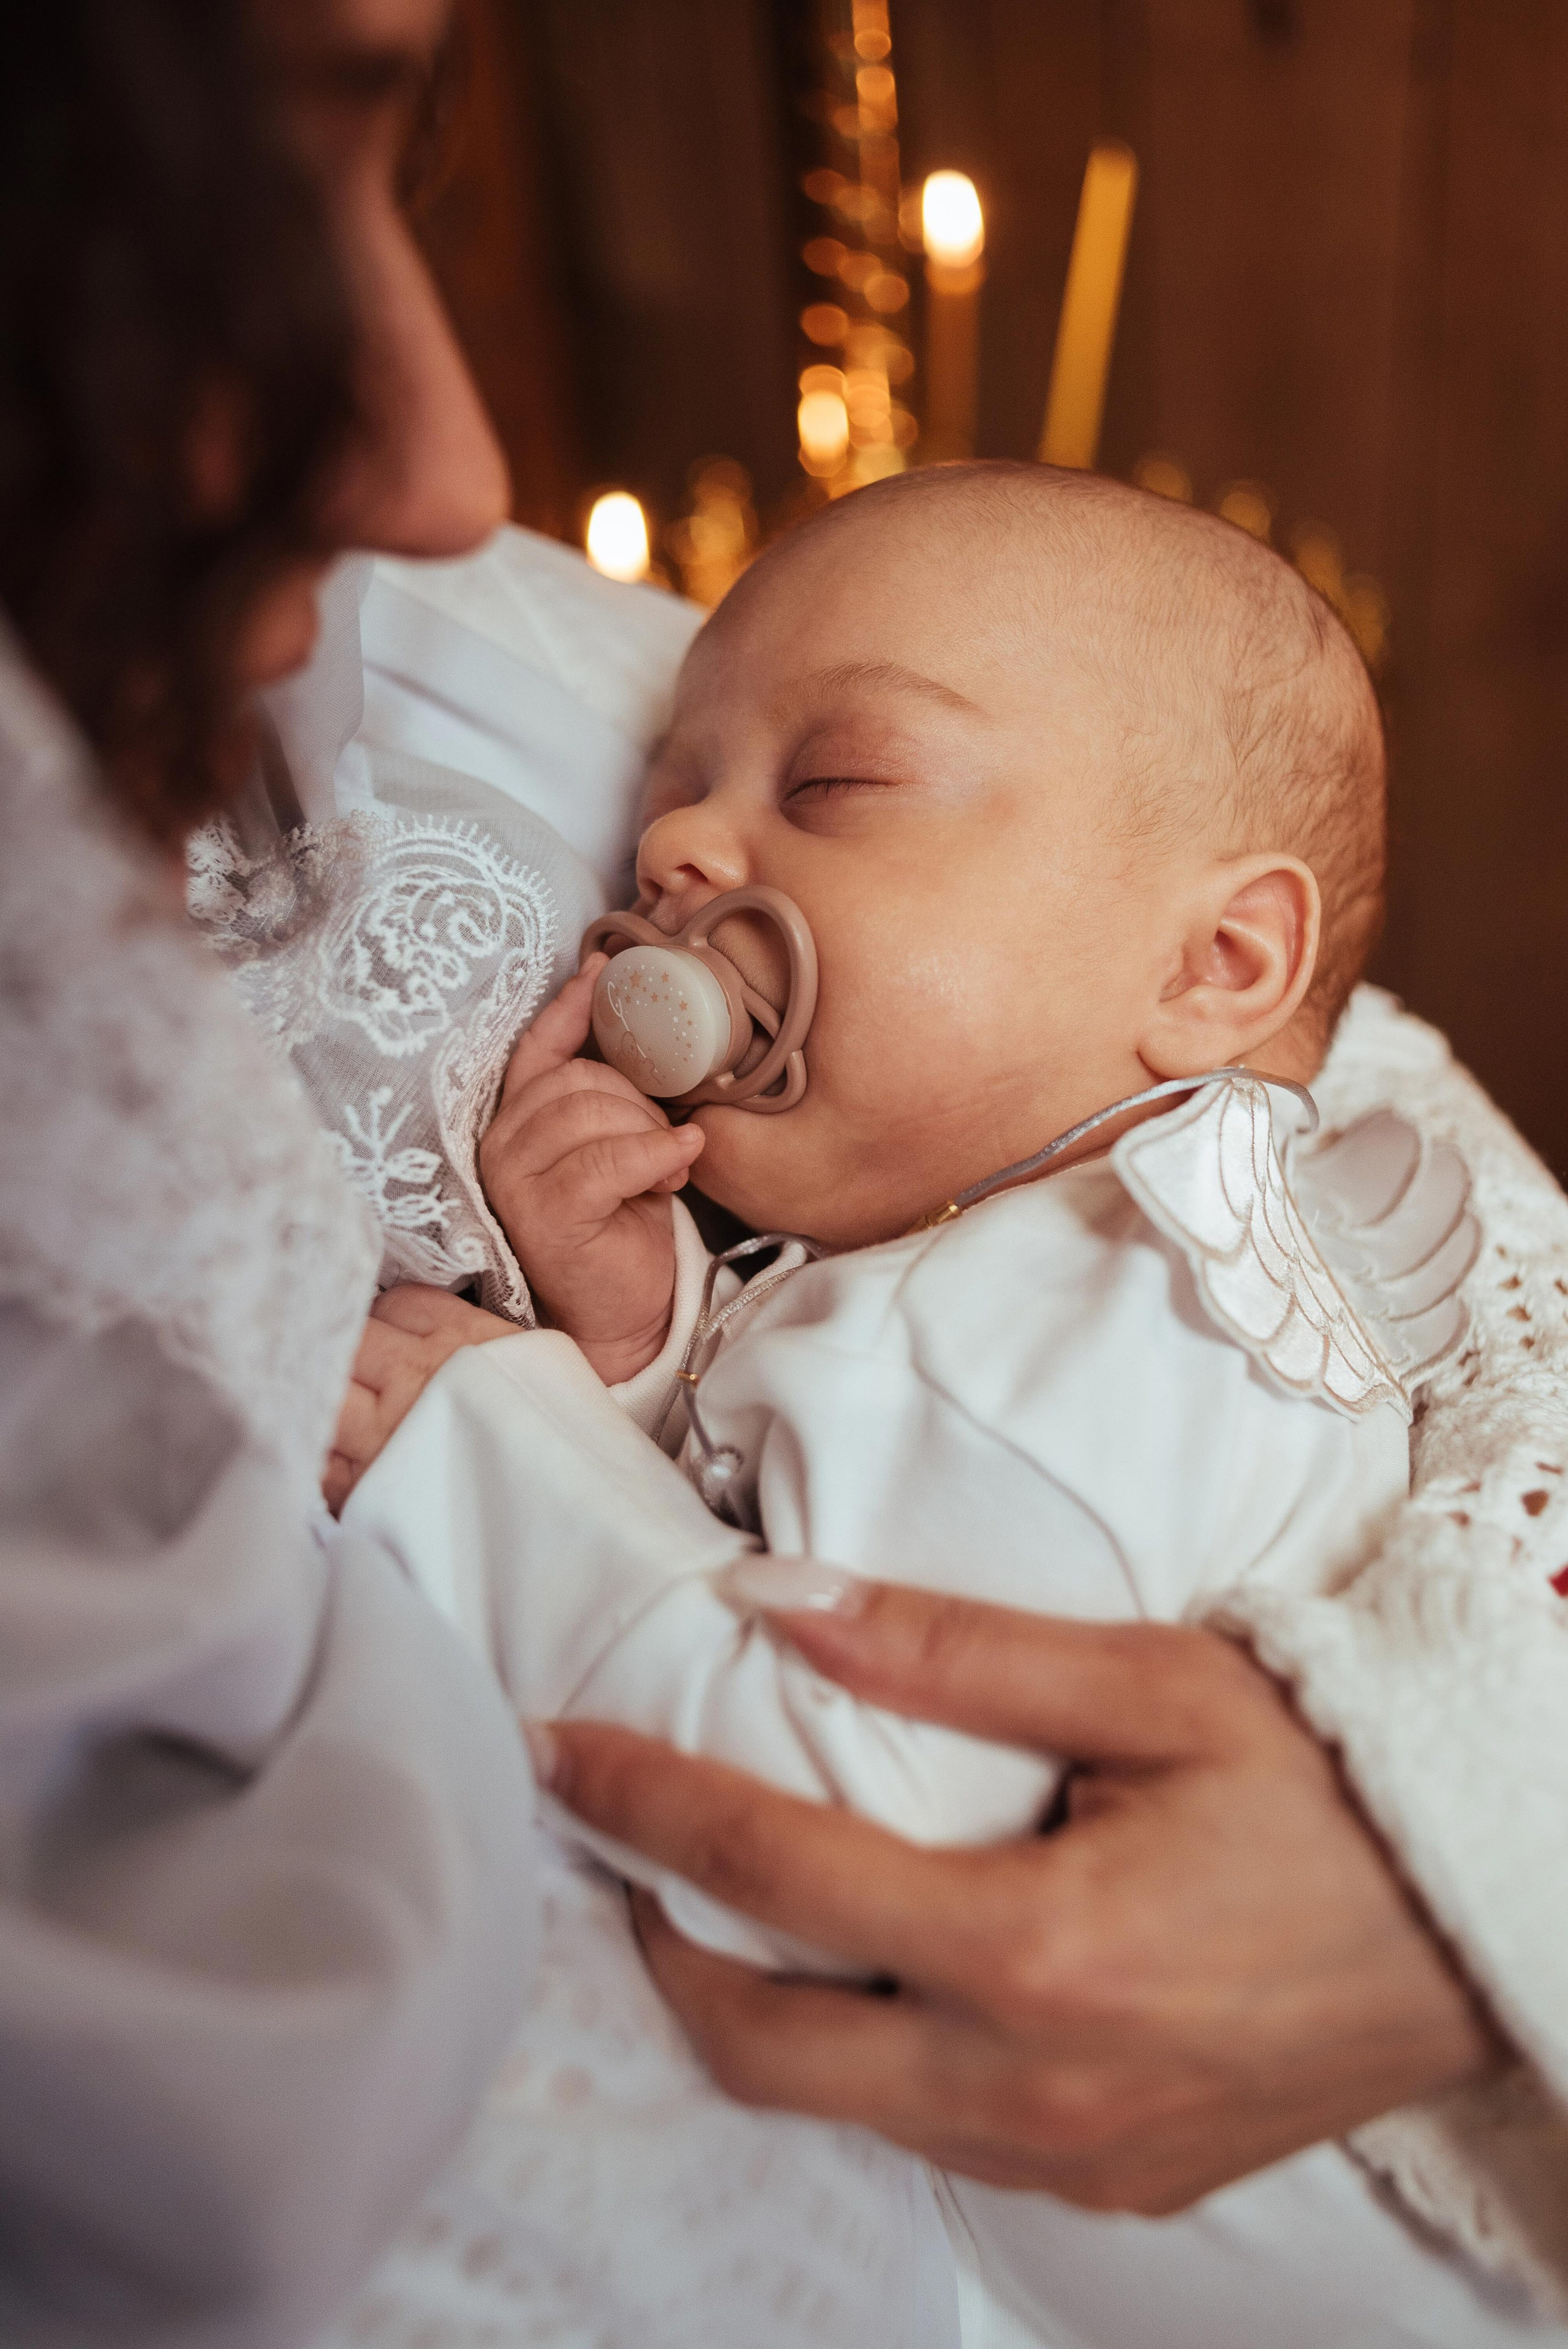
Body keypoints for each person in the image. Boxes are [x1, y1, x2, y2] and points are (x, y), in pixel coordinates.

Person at [341, 464, 1564, 2344]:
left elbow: (844, 1853)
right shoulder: (1030, 1273)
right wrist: (650, 1340)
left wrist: (492, 1442)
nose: (674, 845)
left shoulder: (1102, 1311)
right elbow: (830, 1534)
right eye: (681, 777)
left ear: (1216, 964)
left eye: (828, 786)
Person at [0, 5, 541, 2343]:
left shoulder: (417, 677)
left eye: (393, 175)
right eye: (247, 201)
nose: (449, 468)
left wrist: (1444, 1862)